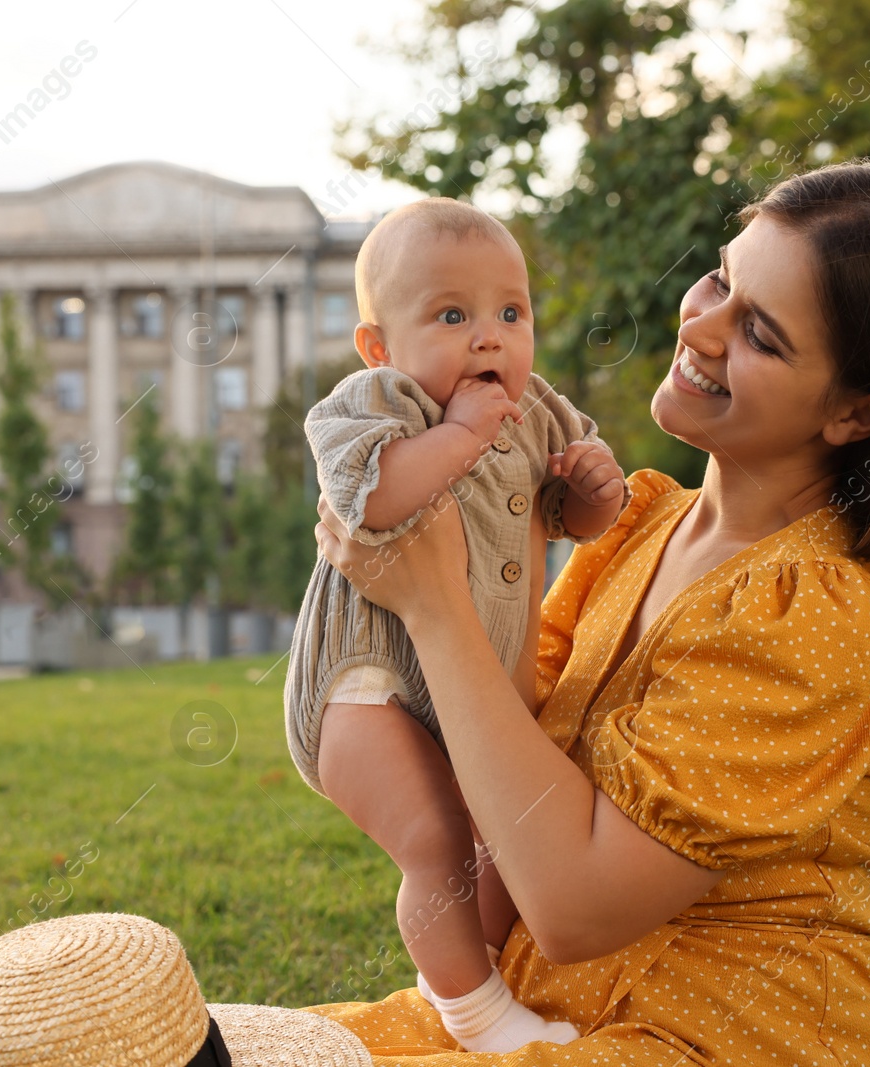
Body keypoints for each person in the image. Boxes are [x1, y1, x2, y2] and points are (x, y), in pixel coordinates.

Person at [295, 159, 870, 1064]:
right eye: (722, 277)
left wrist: (434, 603)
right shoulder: (640, 524)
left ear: (855, 412)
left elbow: (571, 905)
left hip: (712, 1034)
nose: (702, 324)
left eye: (759, 331)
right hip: (542, 1006)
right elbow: (511, 747)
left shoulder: (821, 611)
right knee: (201, 1041)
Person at [284, 197, 631, 1051]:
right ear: (381, 343)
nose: (489, 337)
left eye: (511, 313)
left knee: (505, 841)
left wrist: (595, 486)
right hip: (364, 688)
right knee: (436, 841)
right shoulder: (375, 401)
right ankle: (480, 1020)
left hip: (472, 686)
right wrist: (465, 433)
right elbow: (370, 500)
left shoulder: (538, 411)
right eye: (452, 315)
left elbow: (578, 520)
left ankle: (464, 976)